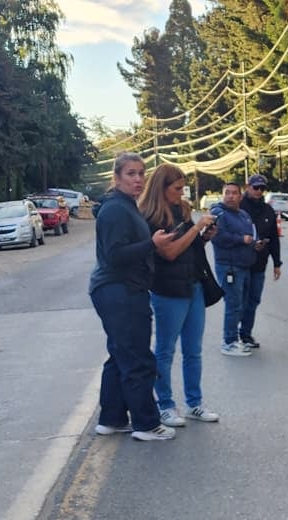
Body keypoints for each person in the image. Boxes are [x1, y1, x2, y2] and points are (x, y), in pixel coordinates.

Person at [87, 152, 177, 442]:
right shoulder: (115, 209)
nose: (138, 179)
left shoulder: (125, 206)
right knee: (137, 358)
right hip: (120, 290)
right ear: (116, 177)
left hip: (120, 289)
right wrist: (151, 244)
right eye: (130, 174)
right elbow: (115, 255)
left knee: (120, 355)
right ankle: (146, 424)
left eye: (141, 173)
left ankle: (111, 419)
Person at [137, 163, 222, 428]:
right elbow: (170, 253)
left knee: (193, 350)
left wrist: (204, 237)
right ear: (161, 188)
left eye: (183, 188)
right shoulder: (151, 217)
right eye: (176, 189)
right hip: (168, 290)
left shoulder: (182, 209)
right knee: (165, 350)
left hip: (194, 285)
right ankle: (165, 405)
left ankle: (194, 403)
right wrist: (196, 229)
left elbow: (189, 249)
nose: (181, 193)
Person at [209, 181, 258, 357]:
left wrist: (254, 243)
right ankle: (228, 342)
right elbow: (217, 237)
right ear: (222, 195)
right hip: (229, 267)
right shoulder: (219, 213)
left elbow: (250, 235)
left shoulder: (244, 214)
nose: (230, 196)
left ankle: (235, 338)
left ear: (240, 196)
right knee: (233, 305)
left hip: (244, 266)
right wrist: (241, 239)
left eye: (234, 193)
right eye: (227, 193)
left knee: (242, 305)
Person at [238, 173, 283, 349]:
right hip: (240, 263)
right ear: (248, 187)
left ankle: (246, 334)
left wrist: (277, 263)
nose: (258, 191)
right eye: (255, 187)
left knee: (253, 300)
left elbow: (274, 238)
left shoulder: (268, 210)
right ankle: (231, 335)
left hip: (259, 264)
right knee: (239, 301)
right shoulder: (238, 207)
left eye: (262, 188)